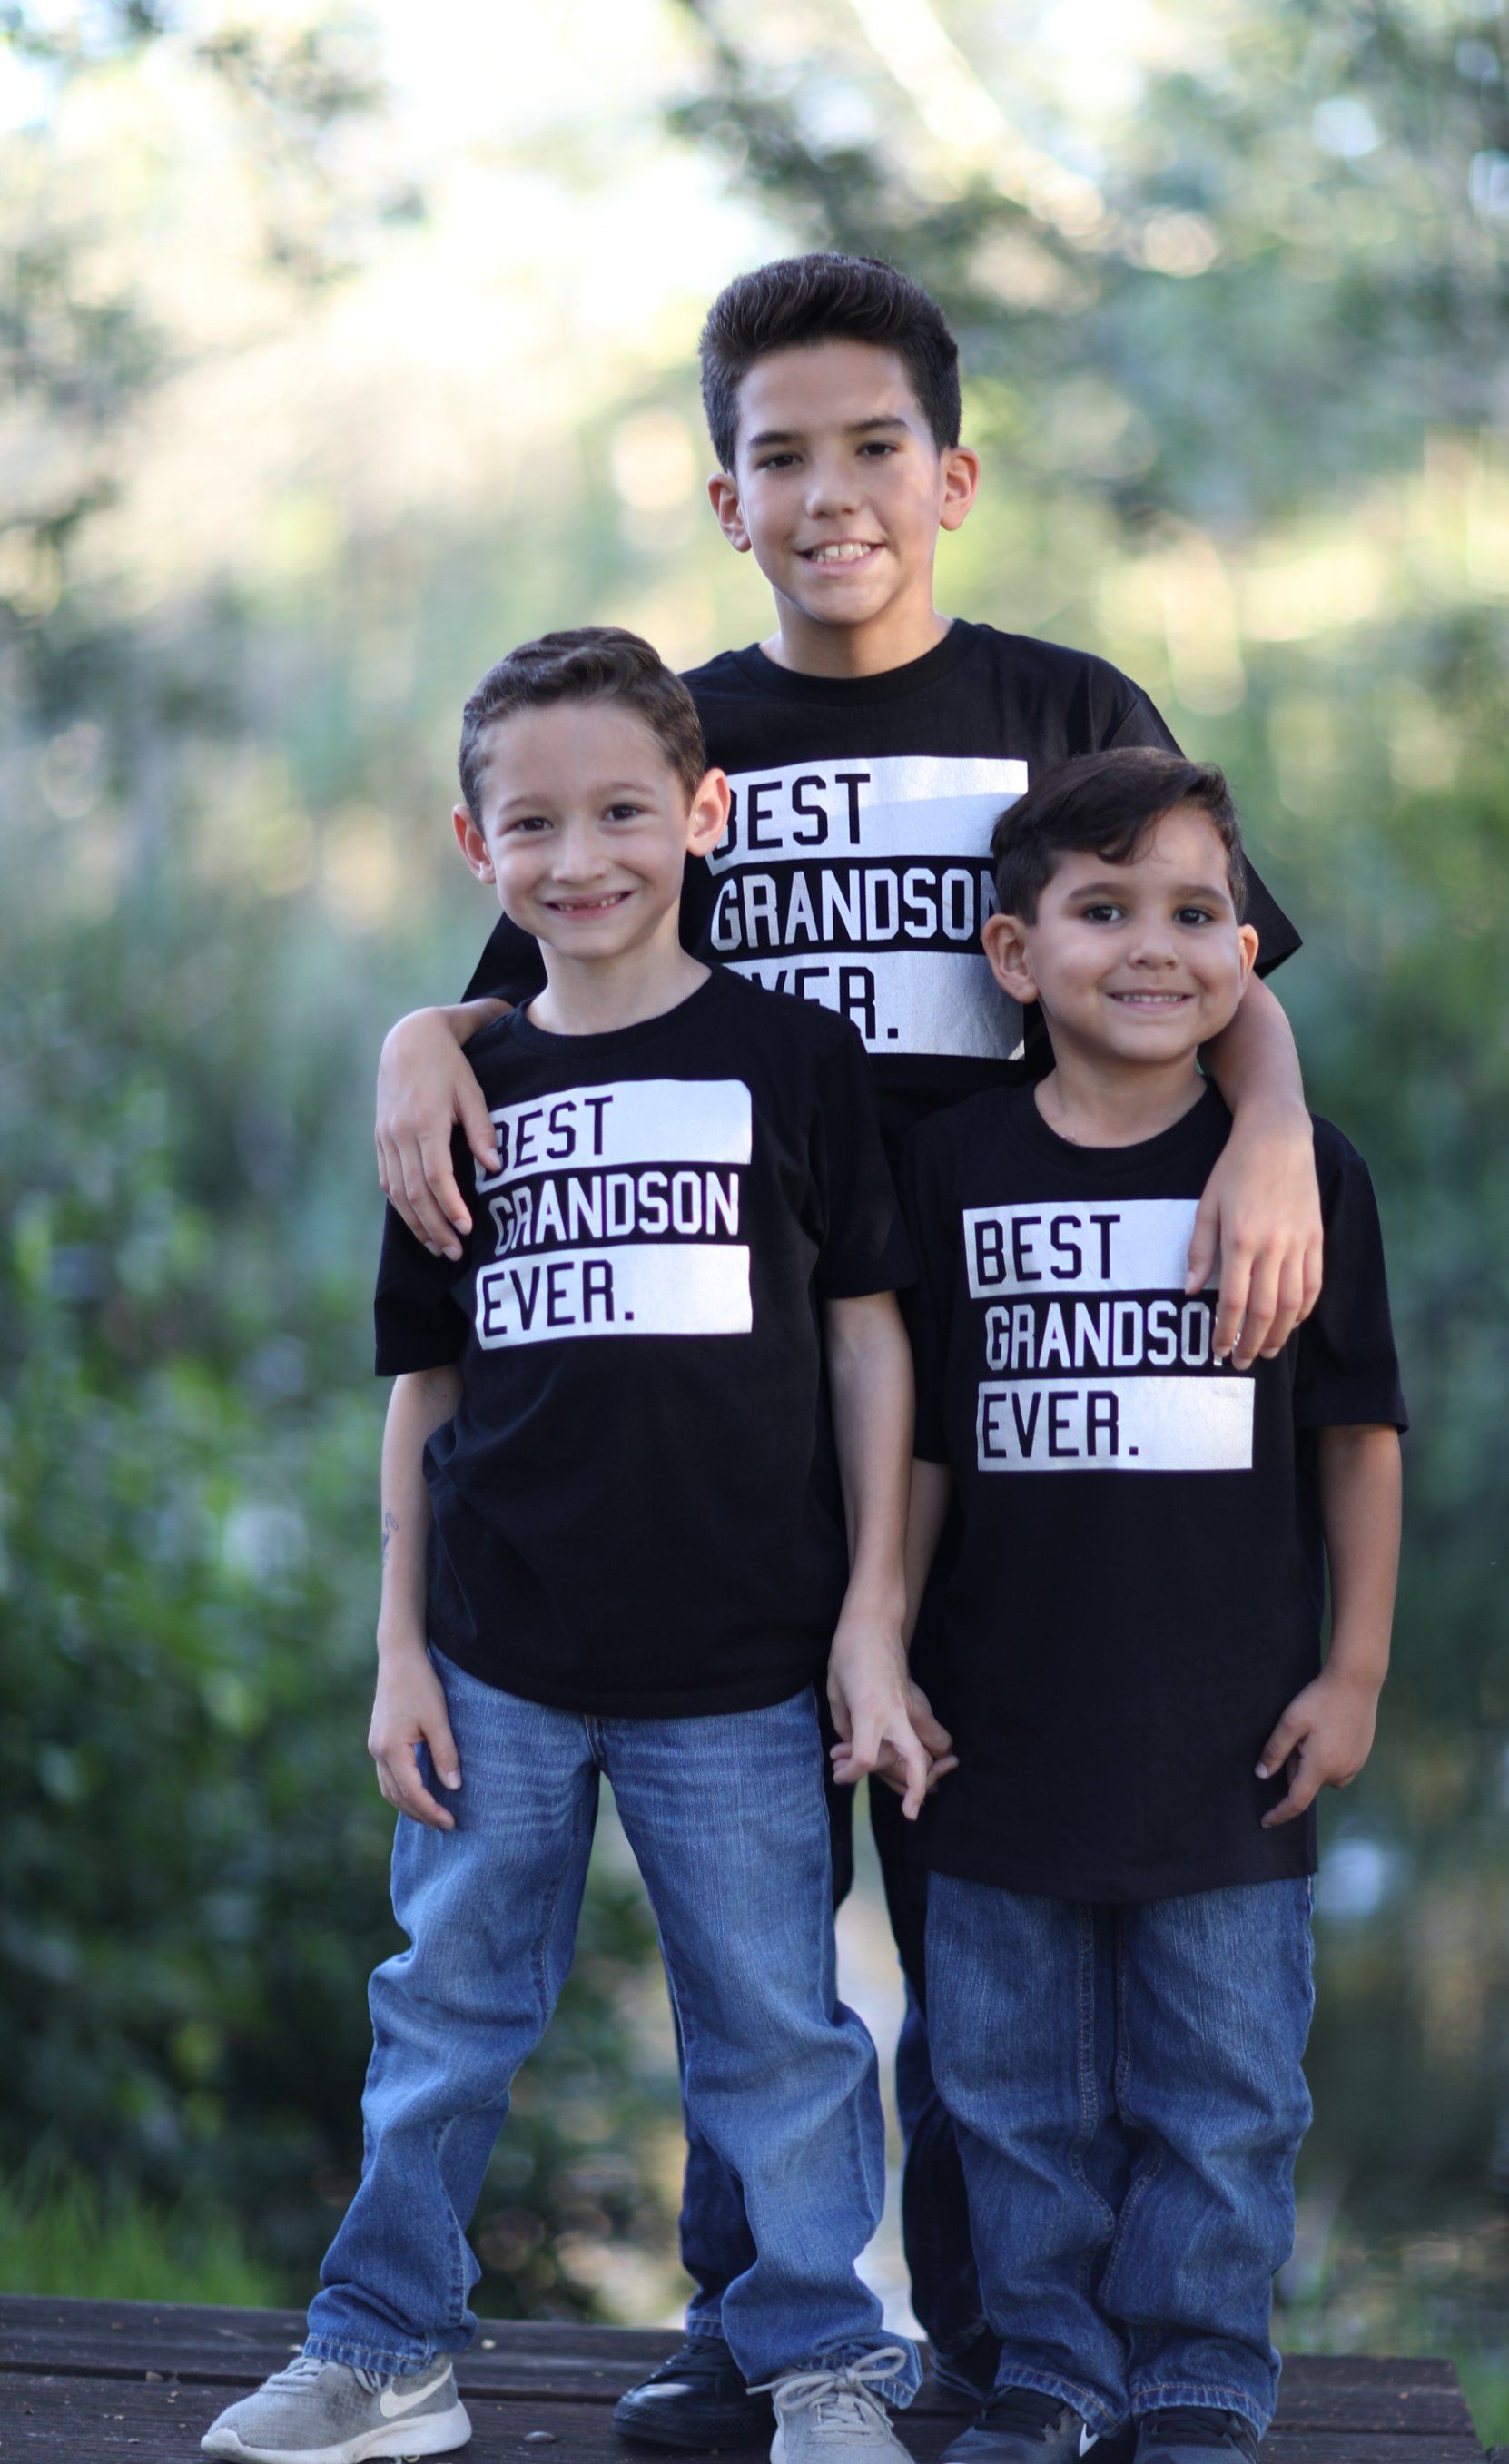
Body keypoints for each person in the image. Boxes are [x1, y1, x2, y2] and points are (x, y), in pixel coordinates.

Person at [370, 254, 1327, 2440]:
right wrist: (416, 1031)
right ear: (723, 498)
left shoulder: (1060, 706)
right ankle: (763, 2327)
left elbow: (1208, 945)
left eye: (871, 446)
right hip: (745, 1427)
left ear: (952, 471)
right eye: (779, 456)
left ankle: (1026, 2359)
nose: (831, 494)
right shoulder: (677, 747)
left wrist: (1271, 1125)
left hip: (1035, 1399)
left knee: (1000, 1903)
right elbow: (533, 987)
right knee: (761, 1924)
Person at [202, 627, 935, 2464]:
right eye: (532, 823)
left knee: (778, 2033)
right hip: (498, 1657)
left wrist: (870, 1615)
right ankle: (383, 2354)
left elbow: (868, 1341)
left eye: (622, 810)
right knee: (444, 2015)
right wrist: (397, 1652)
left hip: (745, 1659)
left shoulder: (796, 1057)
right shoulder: (461, 1091)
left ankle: (818, 2363)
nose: (580, 855)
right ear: (477, 850)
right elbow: (423, 1395)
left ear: (702, 814)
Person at [899, 749, 1406, 2464]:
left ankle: (1196, 2371)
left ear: (1247, 951)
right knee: (1008, 2095)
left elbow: (1359, 1435)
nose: (1155, 947)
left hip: (1227, 1729)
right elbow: (924, 1443)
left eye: (1198, 913)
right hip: (999, 1723)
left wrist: (1354, 1671)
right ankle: (1047, 2367)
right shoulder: (952, 1168)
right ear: (1013, 954)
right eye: (1103, 909)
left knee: (1227, 2093)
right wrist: (880, 1639)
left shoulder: (1299, 1170)